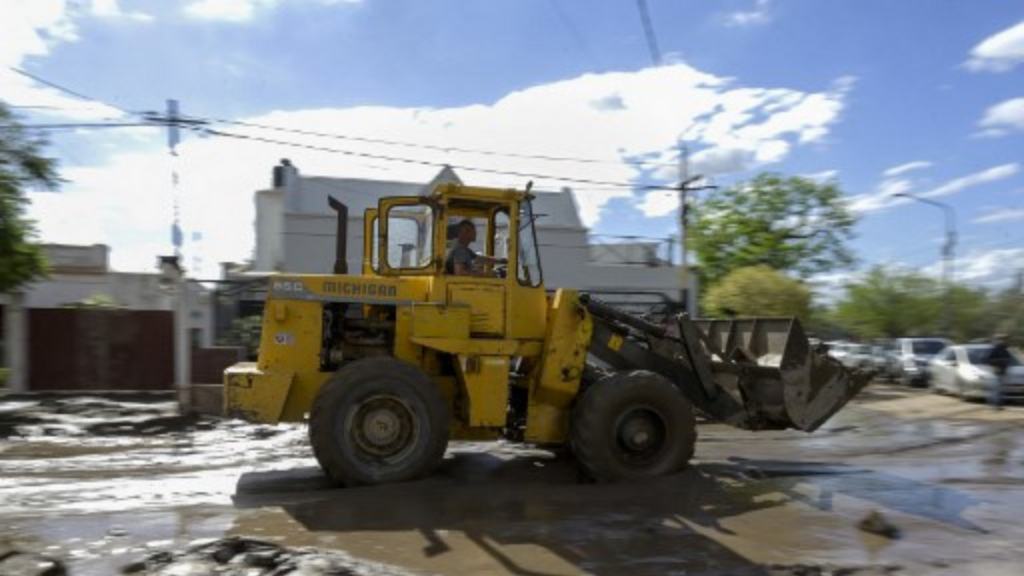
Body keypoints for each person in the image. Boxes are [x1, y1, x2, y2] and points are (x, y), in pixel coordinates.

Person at [986, 334, 1012, 410]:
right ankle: (995, 405)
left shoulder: (1004, 350)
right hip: (996, 372)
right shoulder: (995, 349)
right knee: (996, 389)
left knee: (999, 389)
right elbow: (988, 360)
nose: (1007, 341)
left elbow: (1008, 359)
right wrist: (998, 364)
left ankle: (997, 404)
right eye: (1004, 340)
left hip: (1002, 371)